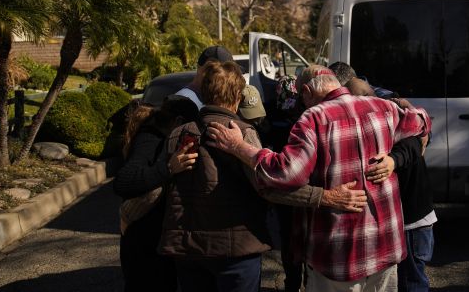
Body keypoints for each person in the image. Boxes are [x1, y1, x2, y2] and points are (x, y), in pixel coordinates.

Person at [207, 64, 431, 292]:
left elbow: (285, 173)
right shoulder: (383, 108)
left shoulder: (313, 119)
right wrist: (394, 157)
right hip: (385, 250)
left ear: (306, 91)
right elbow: (422, 120)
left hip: (338, 257)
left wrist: (238, 146)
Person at [158, 61, 369, 292]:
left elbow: (165, 186)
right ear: (238, 96)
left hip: (186, 250)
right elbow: (270, 185)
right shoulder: (242, 132)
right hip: (235, 251)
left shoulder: (179, 132)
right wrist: (325, 197)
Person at [346, 76, 436, 292]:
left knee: (411, 282)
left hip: (411, 221)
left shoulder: (393, 115)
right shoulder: (391, 111)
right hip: (403, 221)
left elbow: (414, 143)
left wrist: (393, 160)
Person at [113, 95, 200, 292]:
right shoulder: (150, 140)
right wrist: (169, 168)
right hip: (143, 243)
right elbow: (123, 182)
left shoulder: (162, 138)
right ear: (177, 122)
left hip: (154, 243)